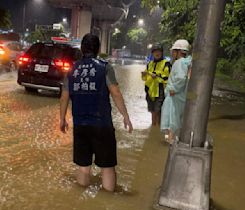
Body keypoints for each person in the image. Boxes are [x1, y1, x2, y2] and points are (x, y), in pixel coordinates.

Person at [59, 34, 133, 192]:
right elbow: (116, 92)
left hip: (80, 125)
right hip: (102, 125)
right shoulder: (105, 67)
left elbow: (64, 96)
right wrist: (125, 116)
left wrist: (62, 119)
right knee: (107, 167)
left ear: (81, 48)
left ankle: (81, 202)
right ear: (98, 49)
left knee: (83, 167)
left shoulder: (72, 69)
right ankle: (108, 200)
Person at [160, 39, 192, 144]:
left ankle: (172, 142)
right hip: (180, 96)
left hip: (175, 96)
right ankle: (173, 140)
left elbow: (181, 78)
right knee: (176, 120)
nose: (172, 53)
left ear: (179, 52)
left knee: (172, 121)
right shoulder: (186, 63)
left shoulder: (179, 62)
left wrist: (173, 89)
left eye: (174, 51)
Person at [141, 43, 171, 126]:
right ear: (152, 53)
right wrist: (143, 75)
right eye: (155, 52)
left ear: (162, 53)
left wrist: (156, 76)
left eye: (159, 52)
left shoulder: (166, 63)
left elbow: (167, 77)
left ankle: (158, 128)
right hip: (150, 91)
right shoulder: (149, 64)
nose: (157, 53)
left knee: (158, 111)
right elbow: (145, 78)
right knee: (152, 111)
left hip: (160, 90)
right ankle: (153, 127)